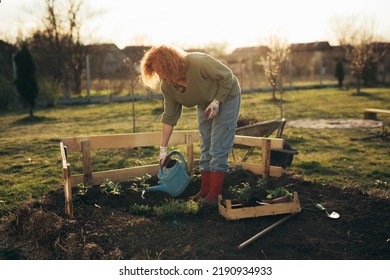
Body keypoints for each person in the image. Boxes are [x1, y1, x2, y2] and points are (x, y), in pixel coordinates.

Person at [140, 45, 241, 204]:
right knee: (205, 146)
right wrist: (163, 149)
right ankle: (204, 190)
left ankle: (213, 196)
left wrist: (217, 101)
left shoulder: (198, 62)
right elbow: (169, 117)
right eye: (157, 74)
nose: (161, 77)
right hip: (204, 102)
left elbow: (227, 76)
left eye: (161, 71)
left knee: (218, 147)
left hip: (227, 96)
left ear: (170, 65)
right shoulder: (167, 86)